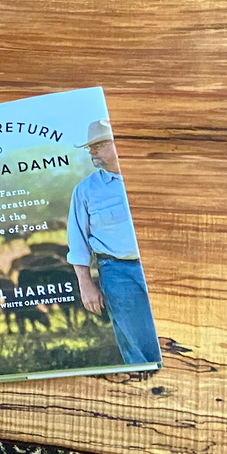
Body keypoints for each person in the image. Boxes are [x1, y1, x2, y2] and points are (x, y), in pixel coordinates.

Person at [66, 119, 162, 365]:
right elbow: (77, 243)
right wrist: (86, 286)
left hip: (163, 265)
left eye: (98, 144)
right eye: (89, 147)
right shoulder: (85, 190)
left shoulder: (154, 175)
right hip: (118, 272)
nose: (91, 151)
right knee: (137, 339)